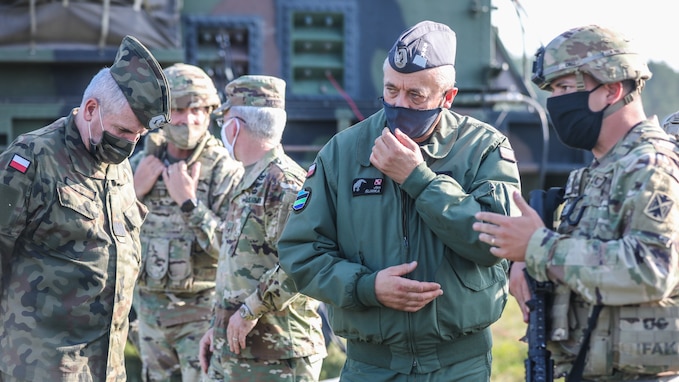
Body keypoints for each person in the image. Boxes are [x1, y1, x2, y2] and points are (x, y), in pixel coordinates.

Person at [277, 20, 521, 381]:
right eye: (391, 90)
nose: (399, 104)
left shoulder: (484, 148)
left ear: (447, 97)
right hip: (370, 365)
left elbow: (496, 243)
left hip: (458, 365)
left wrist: (419, 181)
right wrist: (366, 287)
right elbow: (300, 252)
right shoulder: (344, 152)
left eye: (415, 96)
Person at [473, 25, 679, 381]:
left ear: (612, 89)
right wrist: (528, 265)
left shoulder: (651, 166)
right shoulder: (596, 172)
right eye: (553, 90)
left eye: (566, 88)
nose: (556, 102)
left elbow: (652, 269)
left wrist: (538, 247)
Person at [0, 35, 170, 381]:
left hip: (106, 367)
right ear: (91, 109)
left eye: (137, 136)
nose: (128, 144)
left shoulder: (116, 164)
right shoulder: (31, 160)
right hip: (38, 367)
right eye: (123, 130)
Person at [198, 75, 327, 381]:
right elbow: (237, 264)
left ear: (236, 126)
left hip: (279, 357)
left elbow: (302, 262)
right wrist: (216, 329)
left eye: (224, 120)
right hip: (239, 353)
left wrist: (248, 311)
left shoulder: (285, 184)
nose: (222, 130)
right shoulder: (250, 179)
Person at [129, 63, 243, 381]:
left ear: (209, 113)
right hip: (150, 316)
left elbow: (235, 251)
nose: (188, 120)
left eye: (196, 110)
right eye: (178, 110)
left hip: (202, 316)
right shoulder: (139, 166)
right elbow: (108, 239)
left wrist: (190, 204)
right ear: (163, 114)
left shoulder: (225, 171)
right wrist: (134, 195)